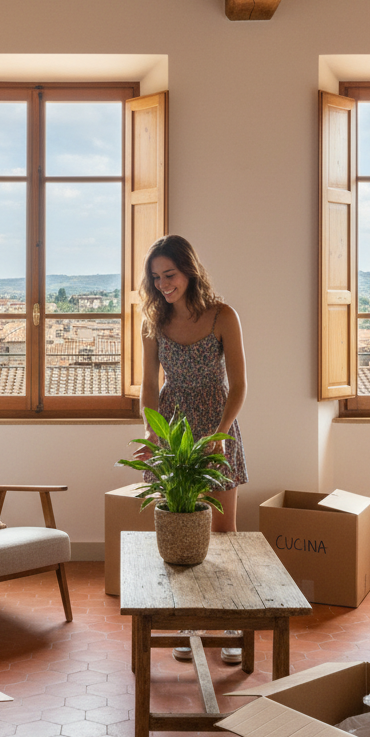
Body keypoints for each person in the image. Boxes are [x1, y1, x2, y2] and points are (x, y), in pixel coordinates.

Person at [135, 234, 248, 663]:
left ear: (189, 271)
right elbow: (148, 386)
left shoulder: (223, 316)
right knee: (182, 535)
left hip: (217, 426)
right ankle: (190, 621)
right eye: (156, 278)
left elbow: (238, 385)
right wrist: (152, 432)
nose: (164, 285)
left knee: (223, 533)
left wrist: (220, 433)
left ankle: (233, 616)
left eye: (171, 275)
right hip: (172, 427)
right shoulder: (153, 322)